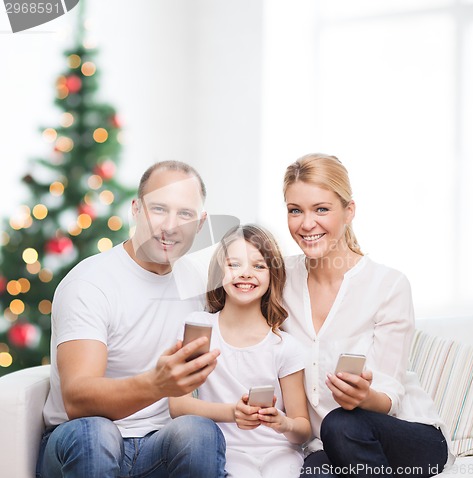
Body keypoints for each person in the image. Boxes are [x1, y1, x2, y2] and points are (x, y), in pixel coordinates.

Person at [36, 161, 226, 478]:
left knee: (199, 432)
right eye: (159, 209)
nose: (170, 226)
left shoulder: (194, 282)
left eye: (185, 214)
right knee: (96, 433)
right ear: (136, 209)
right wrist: (156, 384)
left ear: (200, 222)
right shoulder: (91, 282)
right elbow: (78, 400)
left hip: (155, 447)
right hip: (80, 444)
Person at [281, 153, 454, 478]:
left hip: (408, 435)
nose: (306, 224)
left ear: (349, 211)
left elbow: (389, 395)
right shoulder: (280, 279)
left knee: (340, 424)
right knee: (315, 472)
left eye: (321, 209)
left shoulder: (388, 285)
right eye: (295, 210)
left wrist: (366, 396)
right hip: (328, 445)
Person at [169, 224, 311, 478]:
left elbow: (302, 428)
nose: (245, 274)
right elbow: (178, 405)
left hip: (280, 451)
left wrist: (283, 422)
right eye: (234, 264)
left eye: (258, 266)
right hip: (228, 451)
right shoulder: (200, 328)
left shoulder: (285, 347)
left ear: (273, 275)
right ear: (218, 272)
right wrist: (232, 414)